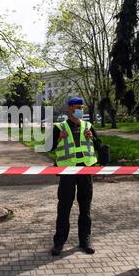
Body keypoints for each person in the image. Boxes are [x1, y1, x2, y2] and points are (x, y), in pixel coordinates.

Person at [48, 97, 102, 256]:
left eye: (81, 107)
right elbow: (47, 147)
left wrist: (92, 138)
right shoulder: (59, 127)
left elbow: (99, 146)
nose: (80, 110)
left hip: (85, 170)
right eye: (77, 107)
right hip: (67, 171)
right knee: (64, 207)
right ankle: (59, 243)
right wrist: (59, 138)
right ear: (69, 109)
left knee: (85, 207)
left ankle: (84, 240)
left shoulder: (88, 126)